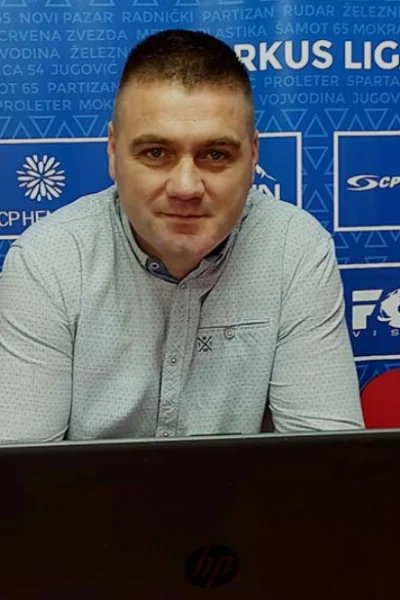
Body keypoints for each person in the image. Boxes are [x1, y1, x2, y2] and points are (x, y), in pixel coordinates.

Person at [0, 30, 364, 443]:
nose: (186, 187)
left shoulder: (294, 249)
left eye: (215, 155)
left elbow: (329, 463)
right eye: (156, 153)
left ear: (254, 156)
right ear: (113, 152)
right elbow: (22, 473)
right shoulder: (49, 260)